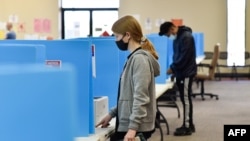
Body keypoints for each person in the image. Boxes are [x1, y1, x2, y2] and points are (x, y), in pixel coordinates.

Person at [96, 15, 160, 141]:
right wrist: (111, 114)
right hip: (130, 123)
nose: (116, 40)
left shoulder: (139, 60)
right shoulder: (133, 58)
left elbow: (141, 97)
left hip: (135, 127)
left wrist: (132, 128)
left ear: (127, 35)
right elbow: (127, 96)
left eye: (117, 36)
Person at [158, 21, 197, 136]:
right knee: (185, 99)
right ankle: (189, 124)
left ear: (172, 29)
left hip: (186, 73)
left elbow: (184, 57)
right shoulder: (179, 37)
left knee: (186, 99)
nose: (168, 37)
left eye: (167, 34)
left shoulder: (186, 37)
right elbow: (177, 56)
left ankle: (187, 126)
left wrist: (172, 68)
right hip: (181, 73)